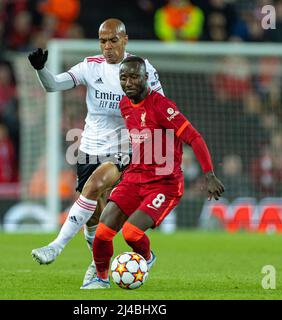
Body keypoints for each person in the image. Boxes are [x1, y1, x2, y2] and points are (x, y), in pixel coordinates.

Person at [27, 19, 164, 286]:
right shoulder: (91, 67)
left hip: (123, 150)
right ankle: (97, 265)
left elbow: (160, 106)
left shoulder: (141, 68)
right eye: (103, 41)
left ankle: (56, 246)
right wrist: (40, 70)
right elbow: (53, 85)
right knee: (93, 216)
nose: (108, 46)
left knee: (94, 186)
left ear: (125, 40)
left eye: (113, 40)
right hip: (89, 148)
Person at [81, 56, 224, 289]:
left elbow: (194, 138)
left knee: (131, 233)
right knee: (103, 231)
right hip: (134, 178)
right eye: (123, 77)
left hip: (164, 183)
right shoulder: (125, 105)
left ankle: (147, 258)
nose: (128, 82)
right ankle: (101, 278)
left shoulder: (162, 107)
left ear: (147, 78)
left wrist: (209, 174)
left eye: (134, 77)